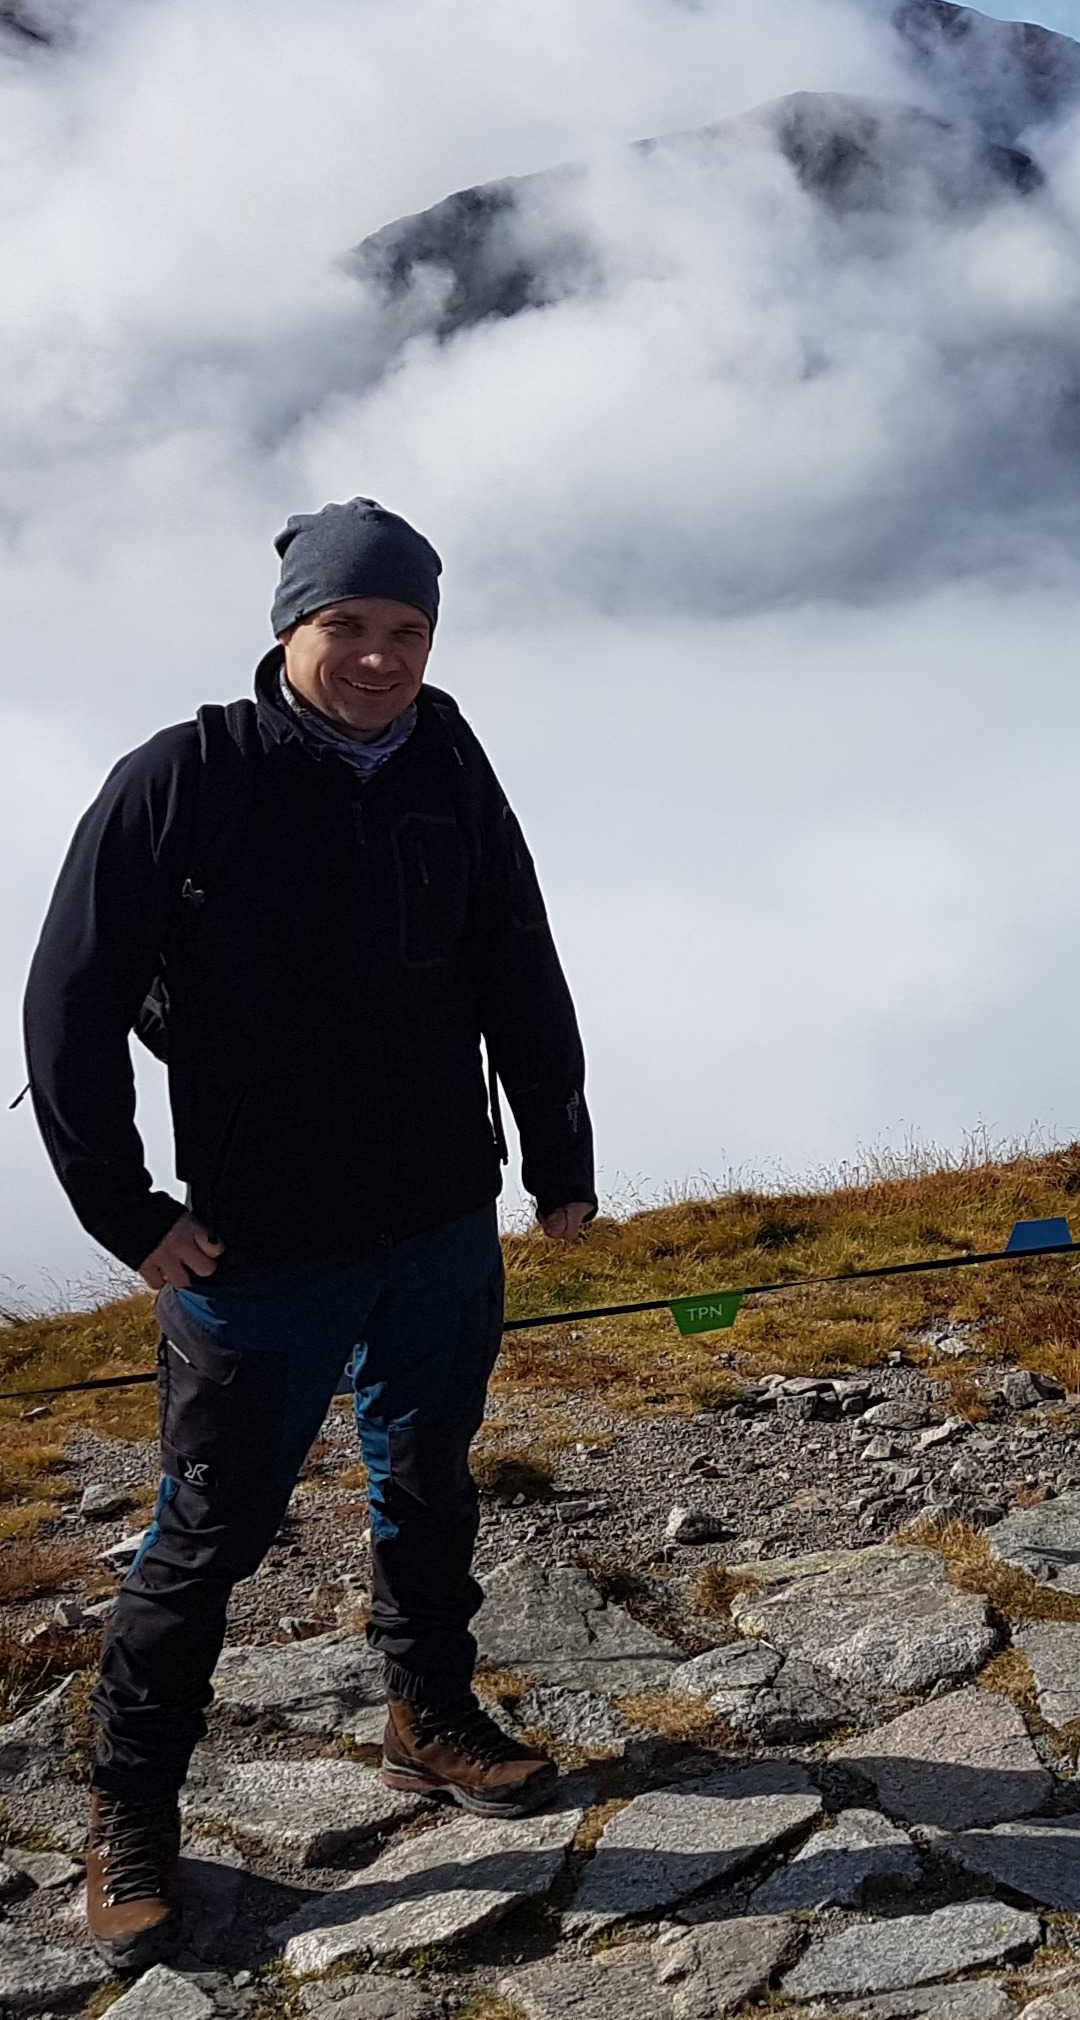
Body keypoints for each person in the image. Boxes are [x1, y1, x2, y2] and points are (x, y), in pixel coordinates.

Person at [20, 499, 598, 1973]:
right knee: (207, 1534)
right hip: (256, 1248)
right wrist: (126, 1212)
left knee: (429, 1477)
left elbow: (517, 958)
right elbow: (69, 1002)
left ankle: (430, 1713)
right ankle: (131, 1814)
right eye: (350, 626)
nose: (382, 659)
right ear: (291, 627)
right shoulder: (184, 779)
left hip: (438, 1221)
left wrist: (559, 1159)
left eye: (410, 632)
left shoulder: (447, 759)